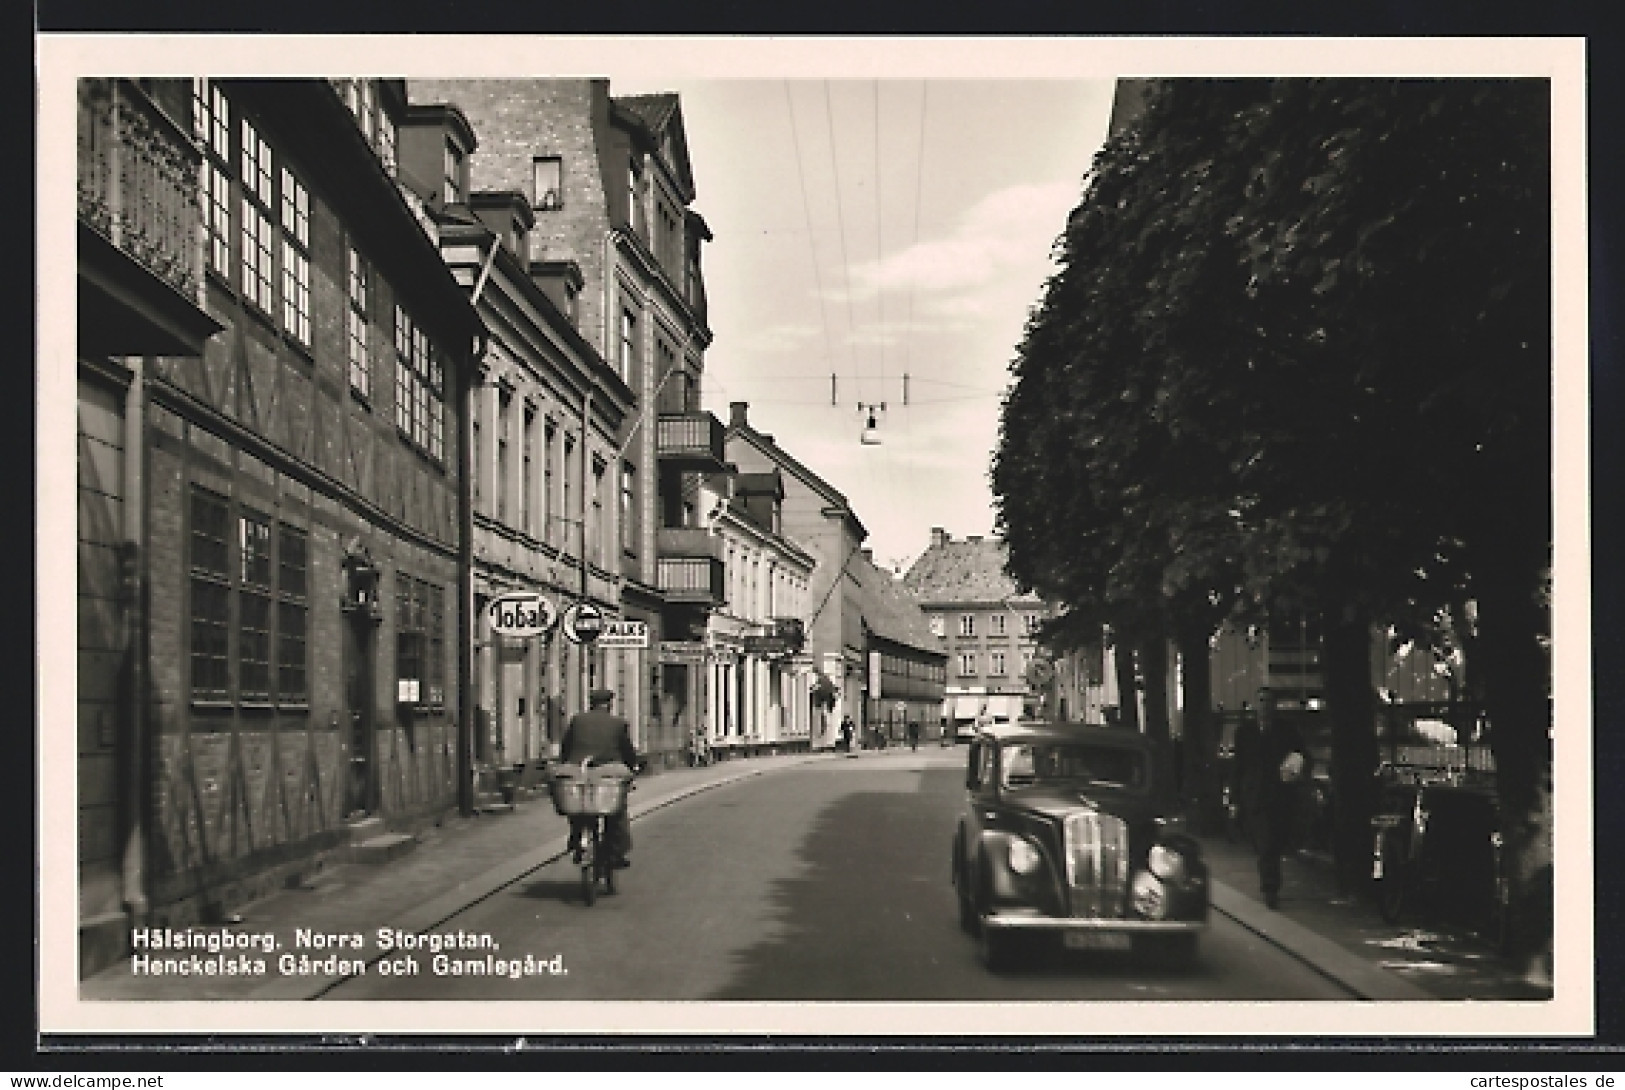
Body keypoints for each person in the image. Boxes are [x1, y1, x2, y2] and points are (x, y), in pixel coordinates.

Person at [559, 689, 639, 868]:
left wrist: (565, 763)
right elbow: (627, 750)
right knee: (616, 809)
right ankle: (616, 851)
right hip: (608, 770)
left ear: (591, 703)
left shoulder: (577, 720)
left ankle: (576, 834)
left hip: (579, 768)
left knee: (575, 801)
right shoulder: (618, 723)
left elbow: (566, 747)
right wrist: (633, 766)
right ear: (609, 704)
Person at [1245, 687, 1309, 909]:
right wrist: (1234, 797)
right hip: (1256, 795)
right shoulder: (1245, 731)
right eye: (1261, 700)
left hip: (1281, 794)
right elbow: (1239, 767)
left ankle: (1271, 884)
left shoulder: (1287, 730)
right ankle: (1270, 888)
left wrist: (1294, 770)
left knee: (1276, 840)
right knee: (1266, 843)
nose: (1265, 705)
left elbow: (1302, 755)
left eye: (1269, 701)